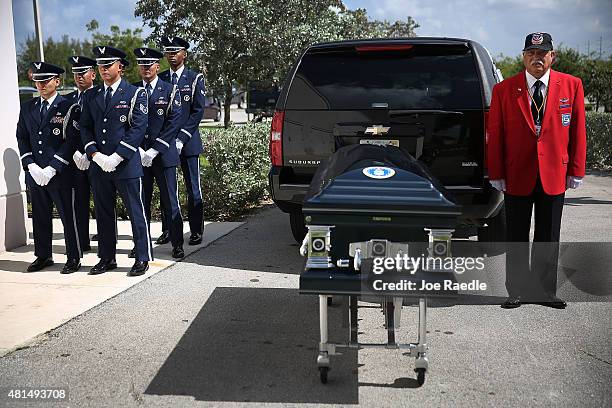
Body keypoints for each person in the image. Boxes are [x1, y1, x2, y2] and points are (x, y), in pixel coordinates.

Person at [487, 32, 586, 309]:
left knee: (549, 235)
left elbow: (578, 130)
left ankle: (545, 291)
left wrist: (576, 169)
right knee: (516, 234)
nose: (536, 58)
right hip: (517, 173)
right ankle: (516, 291)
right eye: (531, 52)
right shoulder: (504, 90)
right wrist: (496, 172)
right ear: (523, 57)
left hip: (555, 173)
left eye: (542, 53)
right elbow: (496, 135)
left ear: (552, 56)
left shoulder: (572, 85)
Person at [80, 45, 152, 276]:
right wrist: (95, 155)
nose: (103, 69)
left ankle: (142, 257)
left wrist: (118, 155)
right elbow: (85, 127)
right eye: (100, 65)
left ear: (120, 67)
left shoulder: (134, 93)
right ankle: (107, 257)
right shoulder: (91, 95)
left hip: (126, 164)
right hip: (100, 165)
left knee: (135, 211)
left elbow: (138, 127)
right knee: (103, 213)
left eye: (108, 65)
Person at [16, 62, 82, 274]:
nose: (41, 85)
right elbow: (22, 137)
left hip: (60, 173)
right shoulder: (28, 107)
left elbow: (71, 140)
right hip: (36, 173)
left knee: (67, 217)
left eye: (45, 80)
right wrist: (31, 165)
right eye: (38, 80)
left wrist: (53, 167)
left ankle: (73, 257)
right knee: (40, 217)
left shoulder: (69, 106)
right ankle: (43, 255)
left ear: (57, 81)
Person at [132, 47, 184, 259]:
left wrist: (154, 149)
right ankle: (141, 245)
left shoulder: (170, 90)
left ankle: (177, 243)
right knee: (140, 203)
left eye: (149, 64)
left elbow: (174, 123)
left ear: (157, 66)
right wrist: (137, 148)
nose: (145, 68)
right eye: (141, 64)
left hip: (163, 156)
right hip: (138, 156)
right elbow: (128, 125)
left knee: (170, 202)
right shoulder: (132, 91)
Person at [159, 36, 206, 246]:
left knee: (193, 189)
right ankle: (168, 229)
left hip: (188, 143)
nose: (171, 55)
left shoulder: (195, 78)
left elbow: (197, 112)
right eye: (168, 51)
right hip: (166, 144)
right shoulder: (161, 80)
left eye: (175, 51)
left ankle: (196, 230)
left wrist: (181, 138)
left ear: (184, 54)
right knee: (167, 190)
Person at [66, 55, 97, 252]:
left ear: (93, 74)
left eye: (83, 72)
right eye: (76, 73)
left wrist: (90, 152)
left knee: (104, 202)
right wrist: (75, 153)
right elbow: (66, 130)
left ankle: (106, 238)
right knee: (79, 202)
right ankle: (82, 241)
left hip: (97, 157)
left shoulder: (101, 95)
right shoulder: (68, 99)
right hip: (76, 159)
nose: (79, 76)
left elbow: (104, 129)